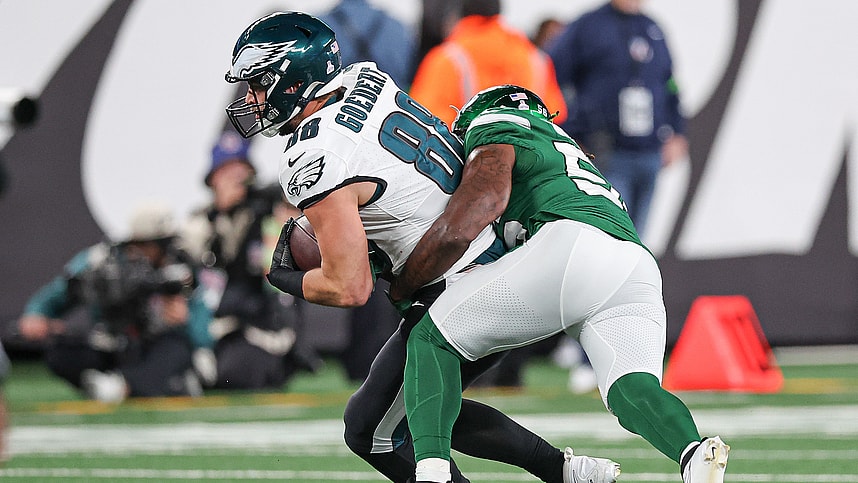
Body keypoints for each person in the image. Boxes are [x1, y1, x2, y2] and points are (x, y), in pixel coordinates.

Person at [223, 11, 619, 483]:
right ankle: (569, 472)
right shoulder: (363, 79)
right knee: (408, 412)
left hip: (463, 283)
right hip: (498, 260)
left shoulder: (316, 155)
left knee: (373, 431)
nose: (251, 99)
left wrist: (286, 276)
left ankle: (563, 472)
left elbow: (350, 287)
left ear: (293, 82)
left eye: (259, 84)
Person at [388, 85, 729, 483]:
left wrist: (411, 278)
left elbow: (485, 199)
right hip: (634, 265)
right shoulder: (565, 149)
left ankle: (431, 471)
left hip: (572, 248)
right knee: (630, 388)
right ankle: (691, 452)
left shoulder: (495, 124)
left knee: (432, 337)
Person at [17, 201, 208, 403]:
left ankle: (124, 386)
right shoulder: (101, 261)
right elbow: (63, 289)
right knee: (61, 352)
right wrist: (36, 313)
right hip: (111, 342)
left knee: (176, 348)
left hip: (153, 345)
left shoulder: (180, 269)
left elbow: (201, 324)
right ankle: (139, 384)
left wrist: (185, 321)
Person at [180, 130, 315, 390]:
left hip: (257, 327)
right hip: (210, 326)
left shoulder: (265, 213)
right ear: (212, 180)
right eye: (226, 171)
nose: (235, 178)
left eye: (240, 170)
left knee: (236, 374)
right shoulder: (201, 222)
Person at [546, 0, 688, 237]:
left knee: (638, 241)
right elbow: (552, 75)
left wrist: (678, 132)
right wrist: (570, 131)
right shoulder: (588, 26)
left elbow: (670, 84)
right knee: (610, 237)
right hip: (606, 153)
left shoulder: (652, 29)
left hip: (649, 153)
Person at [408, 0, 568, 127]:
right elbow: (557, 116)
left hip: (466, 164)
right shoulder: (536, 58)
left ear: (455, 14)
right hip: (531, 163)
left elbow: (421, 120)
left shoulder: (446, 59)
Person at [319, 0, 416, 89]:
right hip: (389, 103)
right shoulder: (397, 27)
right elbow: (410, 75)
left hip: (338, 104)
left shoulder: (320, 27)